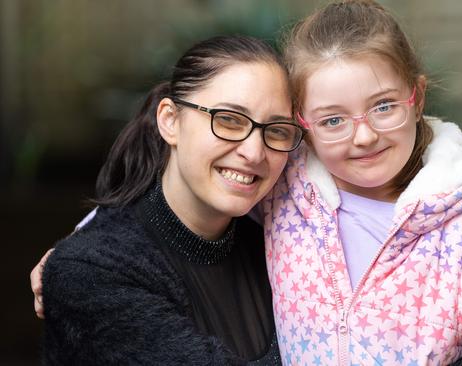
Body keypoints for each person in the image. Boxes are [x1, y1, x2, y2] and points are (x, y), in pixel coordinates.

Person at [257, 0, 462, 365]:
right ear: (302, 124)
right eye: (332, 120)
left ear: (417, 98)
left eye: (383, 107)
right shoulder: (282, 196)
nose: (363, 137)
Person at [36, 34, 304, 365]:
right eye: (229, 120)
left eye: (276, 130)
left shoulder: (286, 252)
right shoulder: (91, 269)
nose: (253, 152)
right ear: (170, 121)